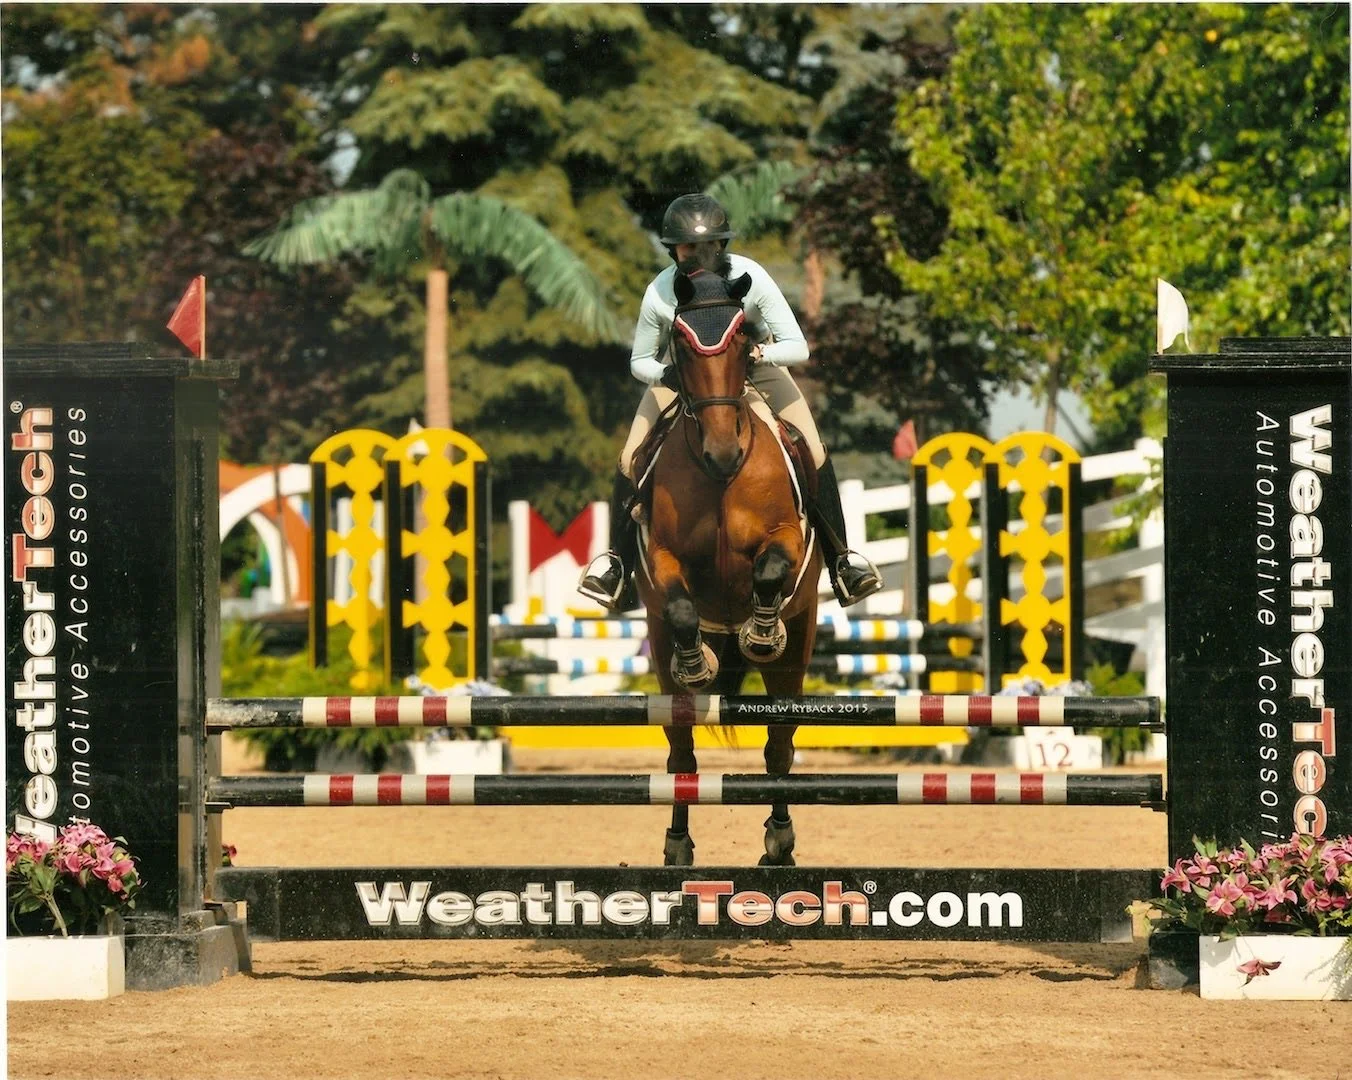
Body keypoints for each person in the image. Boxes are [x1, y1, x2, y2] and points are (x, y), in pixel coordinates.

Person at [578, 192, 882, 612]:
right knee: (631, 455)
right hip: (683, 375)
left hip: (756, 368)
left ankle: (842, 560)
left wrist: (759, 355)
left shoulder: (752, 277)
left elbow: (798, 347)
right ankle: (616, 566)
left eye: (708, 245)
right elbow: (640, 361)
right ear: (674, 250)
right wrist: (666, 374)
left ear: (721, 245)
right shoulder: (661, 292)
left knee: (811, 447)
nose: (699, 254)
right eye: (688, 247)